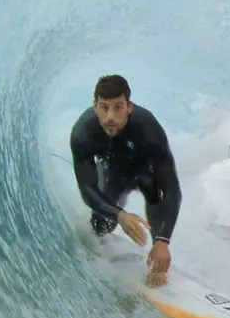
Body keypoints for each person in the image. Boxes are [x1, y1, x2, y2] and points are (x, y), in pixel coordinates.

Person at [69, 74, 181, 287]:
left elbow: (171, 188)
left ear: (129, 107)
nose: (110, 116)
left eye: (118, 107)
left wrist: (163, 240)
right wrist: (120, 215)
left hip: (143, 174)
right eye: (104, 107)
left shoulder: (148, 128)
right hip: (113, 176)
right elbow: (87, 188)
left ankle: (158, 258)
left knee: (153, 189)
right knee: (102, 223)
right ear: (95, 107)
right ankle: (101, 241)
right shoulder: (84, 133)